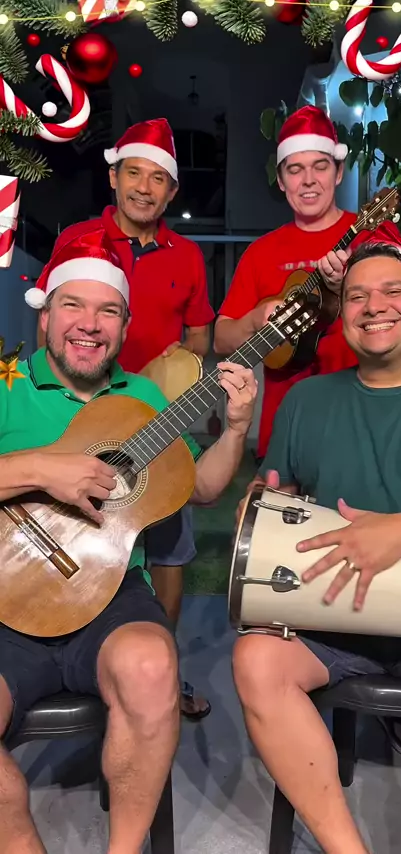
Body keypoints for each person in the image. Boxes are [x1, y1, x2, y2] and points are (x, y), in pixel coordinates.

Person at [4, 233, 256, 854]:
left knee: (151, 666)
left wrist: (235, 429)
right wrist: (39, 469)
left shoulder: (143, 398)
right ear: (45, 316)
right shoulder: (5, 385)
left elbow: (201, 488)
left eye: (108, 311)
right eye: (73, 305)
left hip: (112, 593)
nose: (89, 325)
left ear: (123, 326)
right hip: (8, 590)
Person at [232, 232, 401, 854]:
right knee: (256, 661)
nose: (374, 307)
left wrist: (398, 532)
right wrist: (257, 510)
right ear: (340, 314)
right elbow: (276, 498)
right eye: (356, 296)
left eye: (393, 291)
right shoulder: (307, 400)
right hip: (329, 620)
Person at [38, 118, 215, 719]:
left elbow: (199, 336)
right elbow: (55, 318)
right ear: (113, 177)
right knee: (81, 530)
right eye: (134, 173)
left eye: (158, 179)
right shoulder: (79, 238)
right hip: (85, 415)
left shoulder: (187, 255)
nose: (144, 187)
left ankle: (161, 669)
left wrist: (180, 371)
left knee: (169, 546)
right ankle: (61, 646)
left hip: (155, 419)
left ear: (172, 192)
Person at [214, 105, 401, 463]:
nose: (309, 180)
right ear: (281, 180)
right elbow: (221, 340)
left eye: (320, 166)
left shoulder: (373, 236)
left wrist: (348, 288)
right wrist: (257, 318)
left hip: (364, 430)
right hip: (283, 434)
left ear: (339, 172)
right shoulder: (260, 252)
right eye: (295, 169)